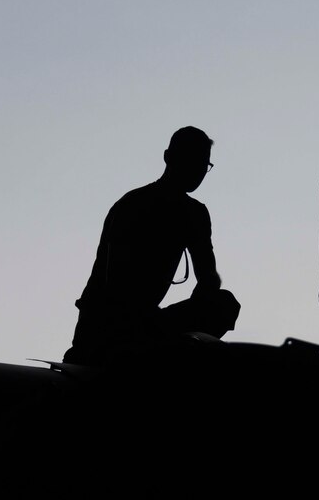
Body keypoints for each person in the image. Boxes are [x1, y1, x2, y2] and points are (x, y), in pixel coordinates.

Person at [63, 126, 240, 363]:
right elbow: (115, 284)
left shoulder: (194, 214)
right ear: (169, 158)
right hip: (107, 326)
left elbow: (209, 278)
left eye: (204, 164)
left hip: (147, 325)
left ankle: (161, 353)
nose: (199, 171)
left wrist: (201, 301)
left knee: (223, 305)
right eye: (193, 160)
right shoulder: (133, 205)